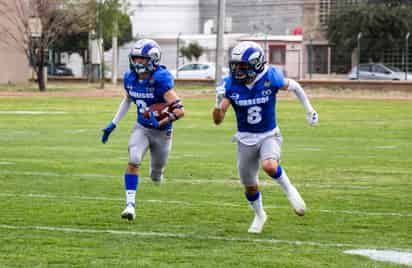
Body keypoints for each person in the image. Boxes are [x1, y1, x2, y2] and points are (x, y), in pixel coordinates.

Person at [212, 41, 318, 233]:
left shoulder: (271, 77)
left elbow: (295, 86)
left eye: (243, 65)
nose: (238, 70)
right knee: (250, 186)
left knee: (269, 166)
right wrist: (218, 103)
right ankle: (260, 215)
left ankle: (290, 190)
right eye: (235, 65)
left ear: (257, 64)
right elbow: (218, 120)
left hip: (269, 134)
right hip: (244, 138)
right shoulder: (231, 84)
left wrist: (309, 110)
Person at [101, 39, 184, 221]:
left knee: (156, 175)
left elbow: (180, 110)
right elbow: (128, 99)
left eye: (142, 60)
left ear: (152, 60)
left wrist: (164, 119)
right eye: (136, 59)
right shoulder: (130, 78)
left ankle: (157, 174)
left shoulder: (160, 79)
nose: (137, 63)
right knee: (134, 158)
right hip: (142, 128)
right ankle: (130, 205)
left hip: (162, 133)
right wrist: (113, 123)